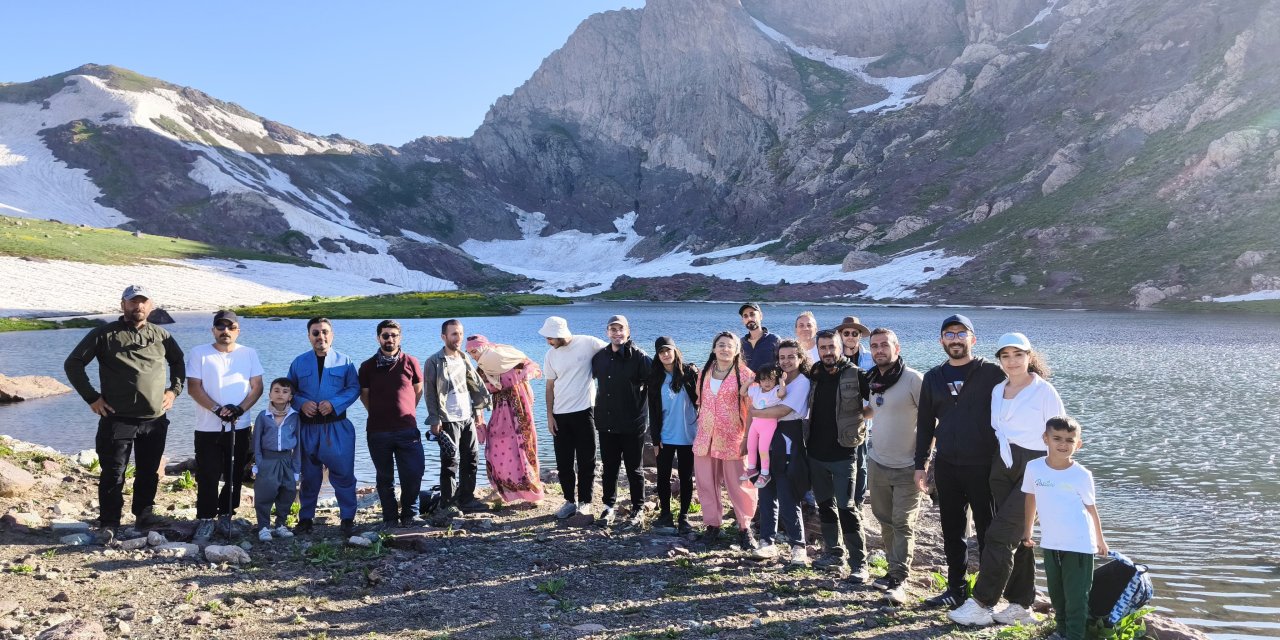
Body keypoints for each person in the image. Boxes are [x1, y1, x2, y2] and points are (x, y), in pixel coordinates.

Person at [950, 332, 1066, 626]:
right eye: (1005, 355)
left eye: (1018, 354)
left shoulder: (1044, 392)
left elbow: (1061, 435)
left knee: (1000, 535)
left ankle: (982, 603)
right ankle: (1020, 605)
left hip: (1036, 466)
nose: (1012, 361)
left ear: (1030, 356)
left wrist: (1056, 475)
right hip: (1003, 466)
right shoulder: (998, 389)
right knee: (1021, 537)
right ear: (999, 360)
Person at [64, 285, 184, 542]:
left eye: (143, 302)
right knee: (113, 472)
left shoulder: (162, 336)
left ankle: (143, 514)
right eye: (132, 302)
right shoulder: (104, 334)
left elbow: (178, 362)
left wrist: (173, 391)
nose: (138, 306)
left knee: (149, 470)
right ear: (123, 305)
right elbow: (73, 364)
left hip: (154, 418)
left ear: (151, 306)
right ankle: (109, 521)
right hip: (117, 419)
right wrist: (92, 398)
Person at [915, 314, 1007, 608]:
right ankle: (956, 589)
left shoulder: (992, 373)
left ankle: (988, 593)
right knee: (952, 530)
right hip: (948, 466)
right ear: (941, 340)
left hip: (983, 464)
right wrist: (922, 464)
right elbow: (926, 424)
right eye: (949, 334)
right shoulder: (933, 377)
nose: (955, 339)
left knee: (987, 530)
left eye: (961, 333)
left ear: (972, 339)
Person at [1020, 416, 1109, 640]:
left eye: (1070, 440)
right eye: (1057, 438)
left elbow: (1091, 509)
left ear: (1078, 444)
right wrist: (1027, 531)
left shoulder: (1081, 475)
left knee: (1076, 597)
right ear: (1045, 439)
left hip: (1079, 544)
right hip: (1051, 542)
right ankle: (1061, 632)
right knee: (1057, 595)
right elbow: (1031, 499)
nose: (1063, 444)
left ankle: (1075, 635)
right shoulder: (1034, 467)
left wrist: (1100, 540)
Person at [186, 310, 264, 543]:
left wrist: (240, 408)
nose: (225, 331)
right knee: (208, 473)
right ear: (213, 330)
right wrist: (216, 409)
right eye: (220, 327)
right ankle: (206, 519)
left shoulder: (249, 353)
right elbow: (194, 387)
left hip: (240, 426)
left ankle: (227, 515)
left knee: (235, 473)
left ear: (238, 331)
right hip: (208, 426)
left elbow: (257, 386)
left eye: (230, 327)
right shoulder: (199, 353)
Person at [805, 330, 872, 582]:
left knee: (847, 507)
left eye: (832, 347)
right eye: (823, 348)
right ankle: (833, 553)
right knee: (825, 506)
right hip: (815, 452)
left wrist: (858, 422)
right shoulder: (814, 374)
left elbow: (876, 403)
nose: (828, 352)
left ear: (840, 347)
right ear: (818, 350)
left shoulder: (855, 374)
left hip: (844, 453)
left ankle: (859, 564)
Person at [864, 328, 925, 603]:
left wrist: (924, 460)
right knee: (885, 519)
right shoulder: (872, 380)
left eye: (884, 345)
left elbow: (931, 421)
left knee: (903, 522)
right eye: (874, 346)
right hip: (877, 462)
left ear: (896, 348)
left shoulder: (914, 380)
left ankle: (900, 578)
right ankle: (891, 571)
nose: (879, 350)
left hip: (908, 466)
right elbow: (872, 410)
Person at [287, 317, 360, 537]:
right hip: (307, 429)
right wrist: (301, 403)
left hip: (337, 428)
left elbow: (354, 388)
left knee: (344, 475)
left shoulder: (345, 361)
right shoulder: (299, 362)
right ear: (309, 336)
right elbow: (289, 390)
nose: (321, 336)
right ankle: (305, 519)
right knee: (309, 477)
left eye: (325, 332)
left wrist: (334, 404)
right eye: (316, 332)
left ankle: (347, 518)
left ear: (332, 334)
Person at [693, 331, 758, 551]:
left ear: (738, 350)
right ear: (713, 349)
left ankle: (744, 527)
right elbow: (700, 402)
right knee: (706, 483)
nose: (725, 349)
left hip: (733, 438)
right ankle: (712, 526)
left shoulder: (746, 374)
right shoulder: (704, 373)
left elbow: (752, 409)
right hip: (705, 437)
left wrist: (749, 438)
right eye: (721, 345)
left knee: (740, 484)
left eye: (730, 346)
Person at [359, 320, 426, 527]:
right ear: (378, 337)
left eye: (394, 335)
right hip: (378, 432)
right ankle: (389, 518)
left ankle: (410, 515)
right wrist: (379, 413)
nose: (390, 339)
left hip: (407, 429)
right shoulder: (367, 367)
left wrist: (405, 411)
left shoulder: (411, 362)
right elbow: (364, 396)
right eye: (385, 335)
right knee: (384, 477)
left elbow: (418, 391)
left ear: (400, 337)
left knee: (413, 473)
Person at [540, 316, 608, 519]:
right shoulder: (550, 355)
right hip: (560, 414)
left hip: (585, 410)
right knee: (564, 462)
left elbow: (614, 351)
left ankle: (585, 502)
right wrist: (549, 415)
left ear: (560, 334)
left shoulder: (588, 342)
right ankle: (569, 501)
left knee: (587, 460)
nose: (548, 341)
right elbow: (550, 386)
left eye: (550, 337)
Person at [753, 339, 814, 564]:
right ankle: (766, 542)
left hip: (789, 442)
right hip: (766, 442)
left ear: (800, 358)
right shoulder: (776, 380)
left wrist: (755, 411)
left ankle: (798, 546)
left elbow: (784, 410)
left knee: (789, 497)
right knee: (766, 494)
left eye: (791, 356)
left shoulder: (802, 382)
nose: (786, 361)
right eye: (782, 357)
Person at [422, 319, 491, 518]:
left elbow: (474, 385)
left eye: (460, 333)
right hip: (447, 419)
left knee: (471, 459)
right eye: (453, 334)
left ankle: (467, 499)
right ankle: (448, 503)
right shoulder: (433, 361)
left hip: (466, 417)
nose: (458, 338)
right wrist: (435, 420)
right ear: (443, 337)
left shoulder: (463, 358)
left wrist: (478, 411)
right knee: (450, 461)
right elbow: (430, 394)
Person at [465, 334, 545, 505]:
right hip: (500, 412)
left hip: (520, 411)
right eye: (469, 352)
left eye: (475, 351)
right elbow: (477, 394)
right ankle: (500, 490)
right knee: (495, 448)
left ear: (484, 347)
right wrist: (479, 419)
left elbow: (534, 368)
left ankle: (532, 493)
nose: (473, 355)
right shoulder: (481, 369)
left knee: (522, 448)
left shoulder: (509, 358)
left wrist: (523, 375)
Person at [591, 315, 652, 527]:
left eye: (620, 329)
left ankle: (638, 508)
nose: (617, 333)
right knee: (609, 467)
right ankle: (608, 507)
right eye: (612, 329)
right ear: (607, 332)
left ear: (628, 331)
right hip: (606, 422)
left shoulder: (640, 358)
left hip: (632, 423)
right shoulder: (600, 357)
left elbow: (656, 386)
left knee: (634, 469)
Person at [647, 336, 699, 535]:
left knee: (686, 478)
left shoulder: (689, 373)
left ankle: (684, 517)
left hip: (688, 435)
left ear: (675, 351)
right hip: (665, 436)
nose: (665, 354)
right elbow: (653, 410)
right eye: (661, 352)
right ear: (657, 356)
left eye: (668, 350)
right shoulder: (655, 378)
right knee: (662, 477)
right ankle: (665, 515)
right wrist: (655, 439)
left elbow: (701, 399)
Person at [252, 378, 300, 541]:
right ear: (270, 394)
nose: (280, 394)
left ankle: (281, 524)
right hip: (267, 459)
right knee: (265, 493)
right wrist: (258, 464)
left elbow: (299, 445)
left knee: (288, 492)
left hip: (286, 460)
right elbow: (256, 442)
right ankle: (264, 527)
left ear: (291, 397)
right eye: (277, 391)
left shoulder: (295, 417)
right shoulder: (263, 416)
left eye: (285, 392)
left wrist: (296, 469)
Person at [835, 315, 873, 508]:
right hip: (837, 418)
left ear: (860, 336)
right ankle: (840, 498)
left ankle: (858, 501)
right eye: (846, 333)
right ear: (840, 335)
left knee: (861, 461)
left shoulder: (870, 358)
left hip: (861, 418)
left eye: (854, 333)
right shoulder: (834, 357)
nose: (850, 336)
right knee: (838, 460)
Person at [741, 364, 786, 488]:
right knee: (751, 447)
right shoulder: (755, 390)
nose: (767, 383)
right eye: (763, 379)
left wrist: (782, 381)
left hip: (769, 424)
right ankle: (751, 468)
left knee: (763, 449)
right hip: (755, 423)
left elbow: (782, 393)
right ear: (759, 380)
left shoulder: (775, 390)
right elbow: (742, 392)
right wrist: (749, 381)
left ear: (775, 380)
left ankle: (765, 473)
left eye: (770, 379)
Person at [739, 302, 781, 373]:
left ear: (761, 316)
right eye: (745, 316)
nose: (749, 318)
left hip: (769, 383)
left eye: (752, 314)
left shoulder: (774, 339)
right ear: (743, 320)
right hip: (747, 383)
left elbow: (781, 364)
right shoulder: (741, 343)